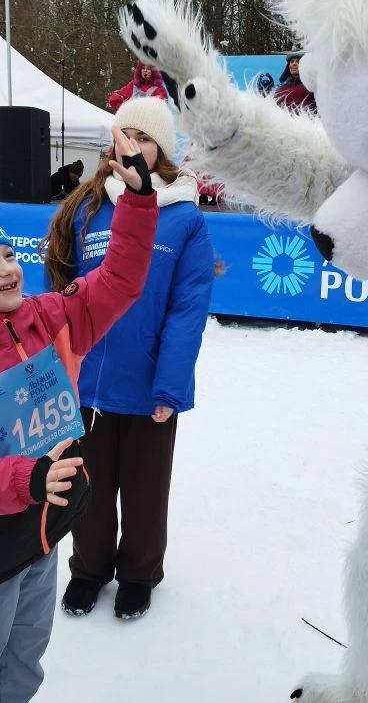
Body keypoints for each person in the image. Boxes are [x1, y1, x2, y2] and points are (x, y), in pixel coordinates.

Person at [0, 126, 158, 703]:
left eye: (7, 254)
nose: (6, 268)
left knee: (23, 664)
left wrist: (140, 204)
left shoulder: (48, 318)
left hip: (42, 536)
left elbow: (119, 281)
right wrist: (28, 478)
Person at [43, 97, 215, 620]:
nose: (131, 147)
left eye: (142, 139)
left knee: (144, 490)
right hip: (88, 381)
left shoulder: (185, 218)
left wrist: (169, 386)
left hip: (148, 386)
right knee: (85, 483)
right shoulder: (88, 207)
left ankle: (139, 574)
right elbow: (64, 292)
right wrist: (57, 367)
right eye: (123, 136)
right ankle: (88, 569)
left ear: (160, 150)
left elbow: (187, 310)